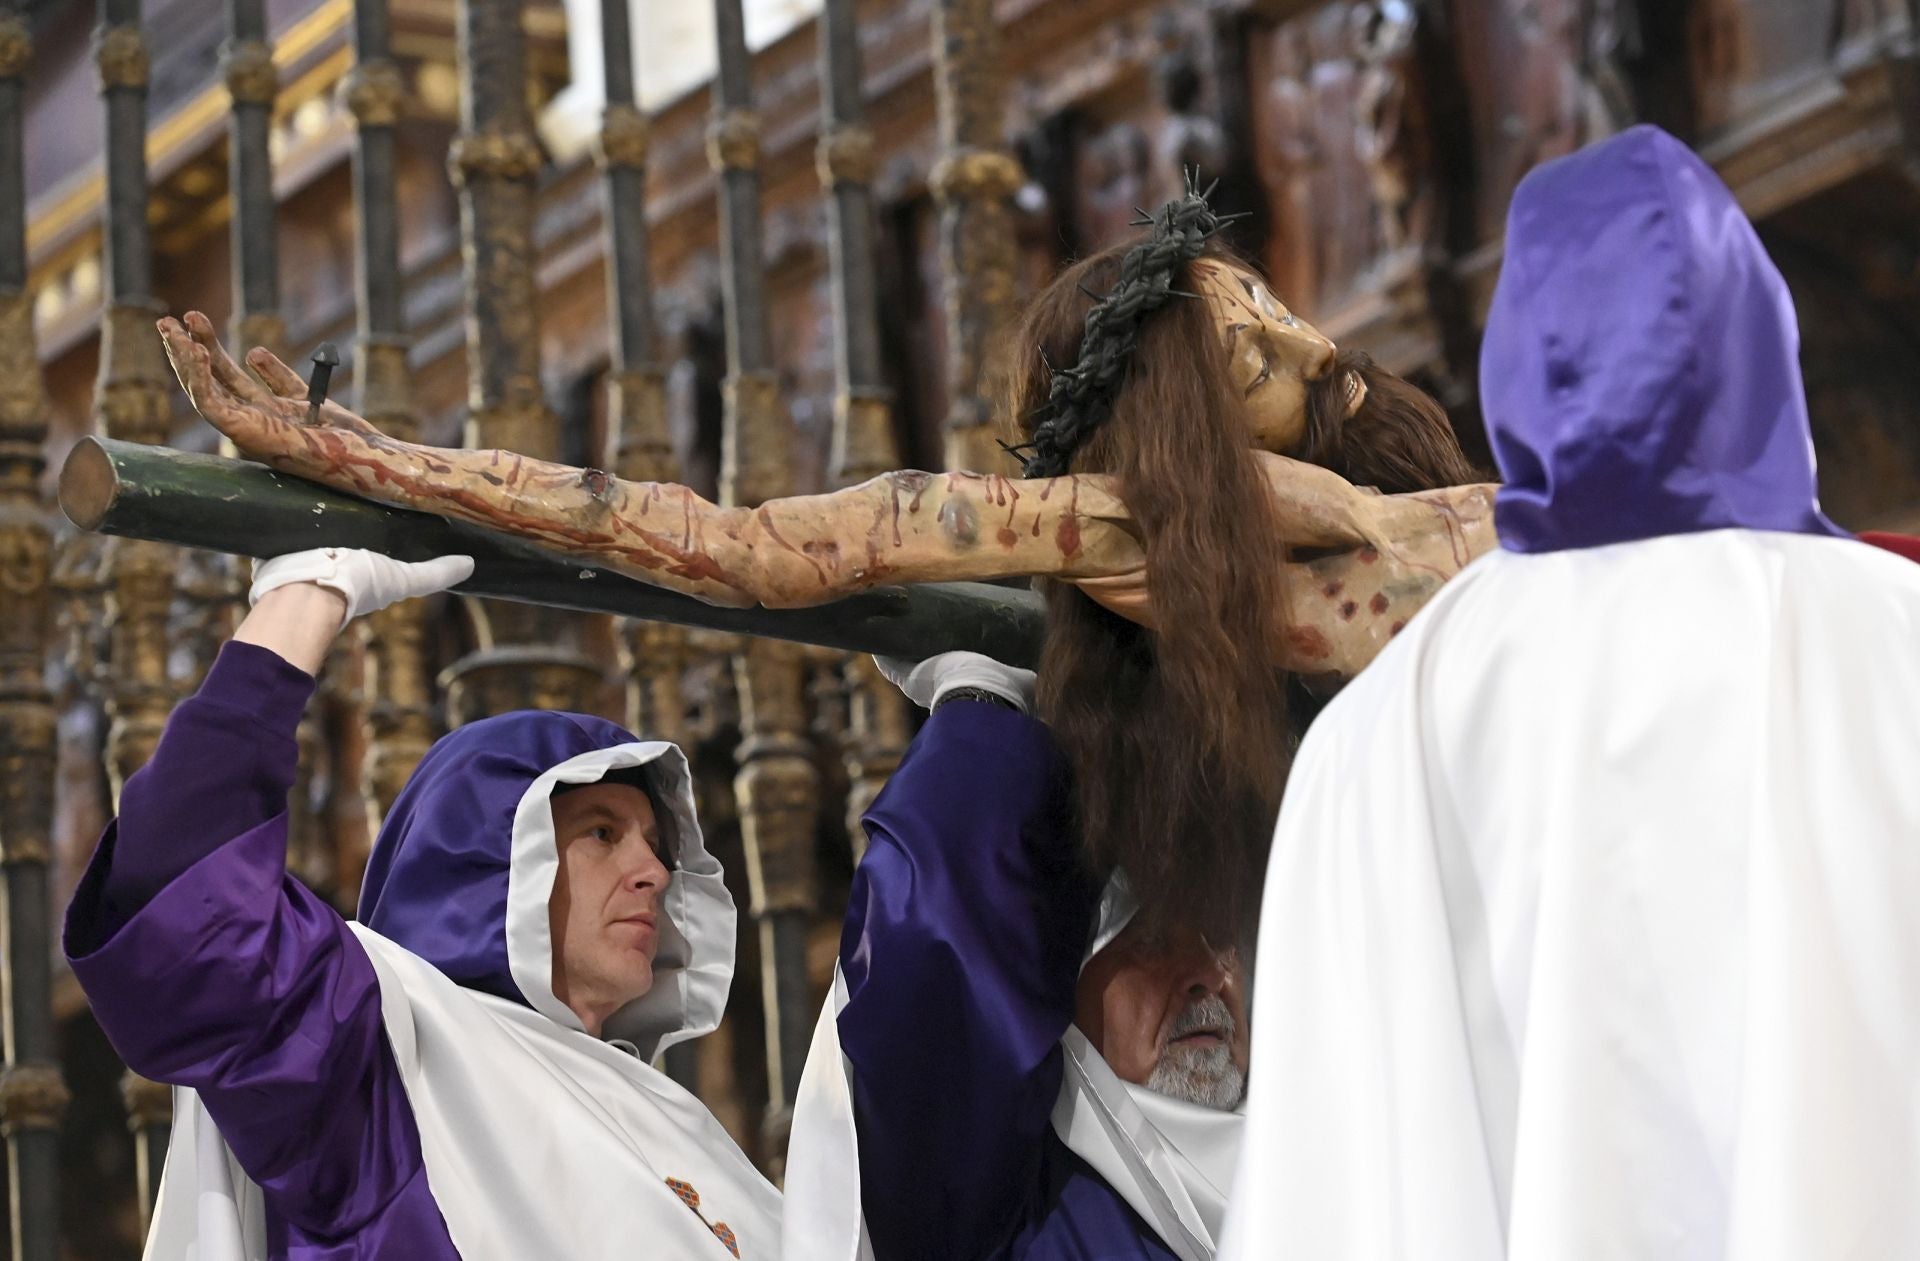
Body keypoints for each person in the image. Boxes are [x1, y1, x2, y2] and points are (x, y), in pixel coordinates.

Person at [154, 189, 1486, 937]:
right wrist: (370, 462)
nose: (1315, 351)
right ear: (1172, 412)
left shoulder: (1382, 460)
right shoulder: (1127, 522)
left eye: (1283, 315)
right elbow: (723, 544)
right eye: (1251, 352)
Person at [1221, 125, 1920, 1260]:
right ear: (1758, 338)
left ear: (1525, 357)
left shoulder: (1383, 729)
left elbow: (1335, 1174)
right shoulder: (1891, 639)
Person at [65, 545, 779, 1260]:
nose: (652, 870)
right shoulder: (381, 1062)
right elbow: (185, 901)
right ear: (495, 857)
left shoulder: (682, 1125)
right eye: (601, 831)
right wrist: (304, 603)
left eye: (656, 842)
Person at [783, 651, 1248, 1261]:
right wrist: (983, 697)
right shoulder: (997, 1213)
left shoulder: (1344, 1156)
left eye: (1224, 943)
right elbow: (936, 948)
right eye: (1154, 940)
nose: (1208, 978)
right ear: (1055, 992)